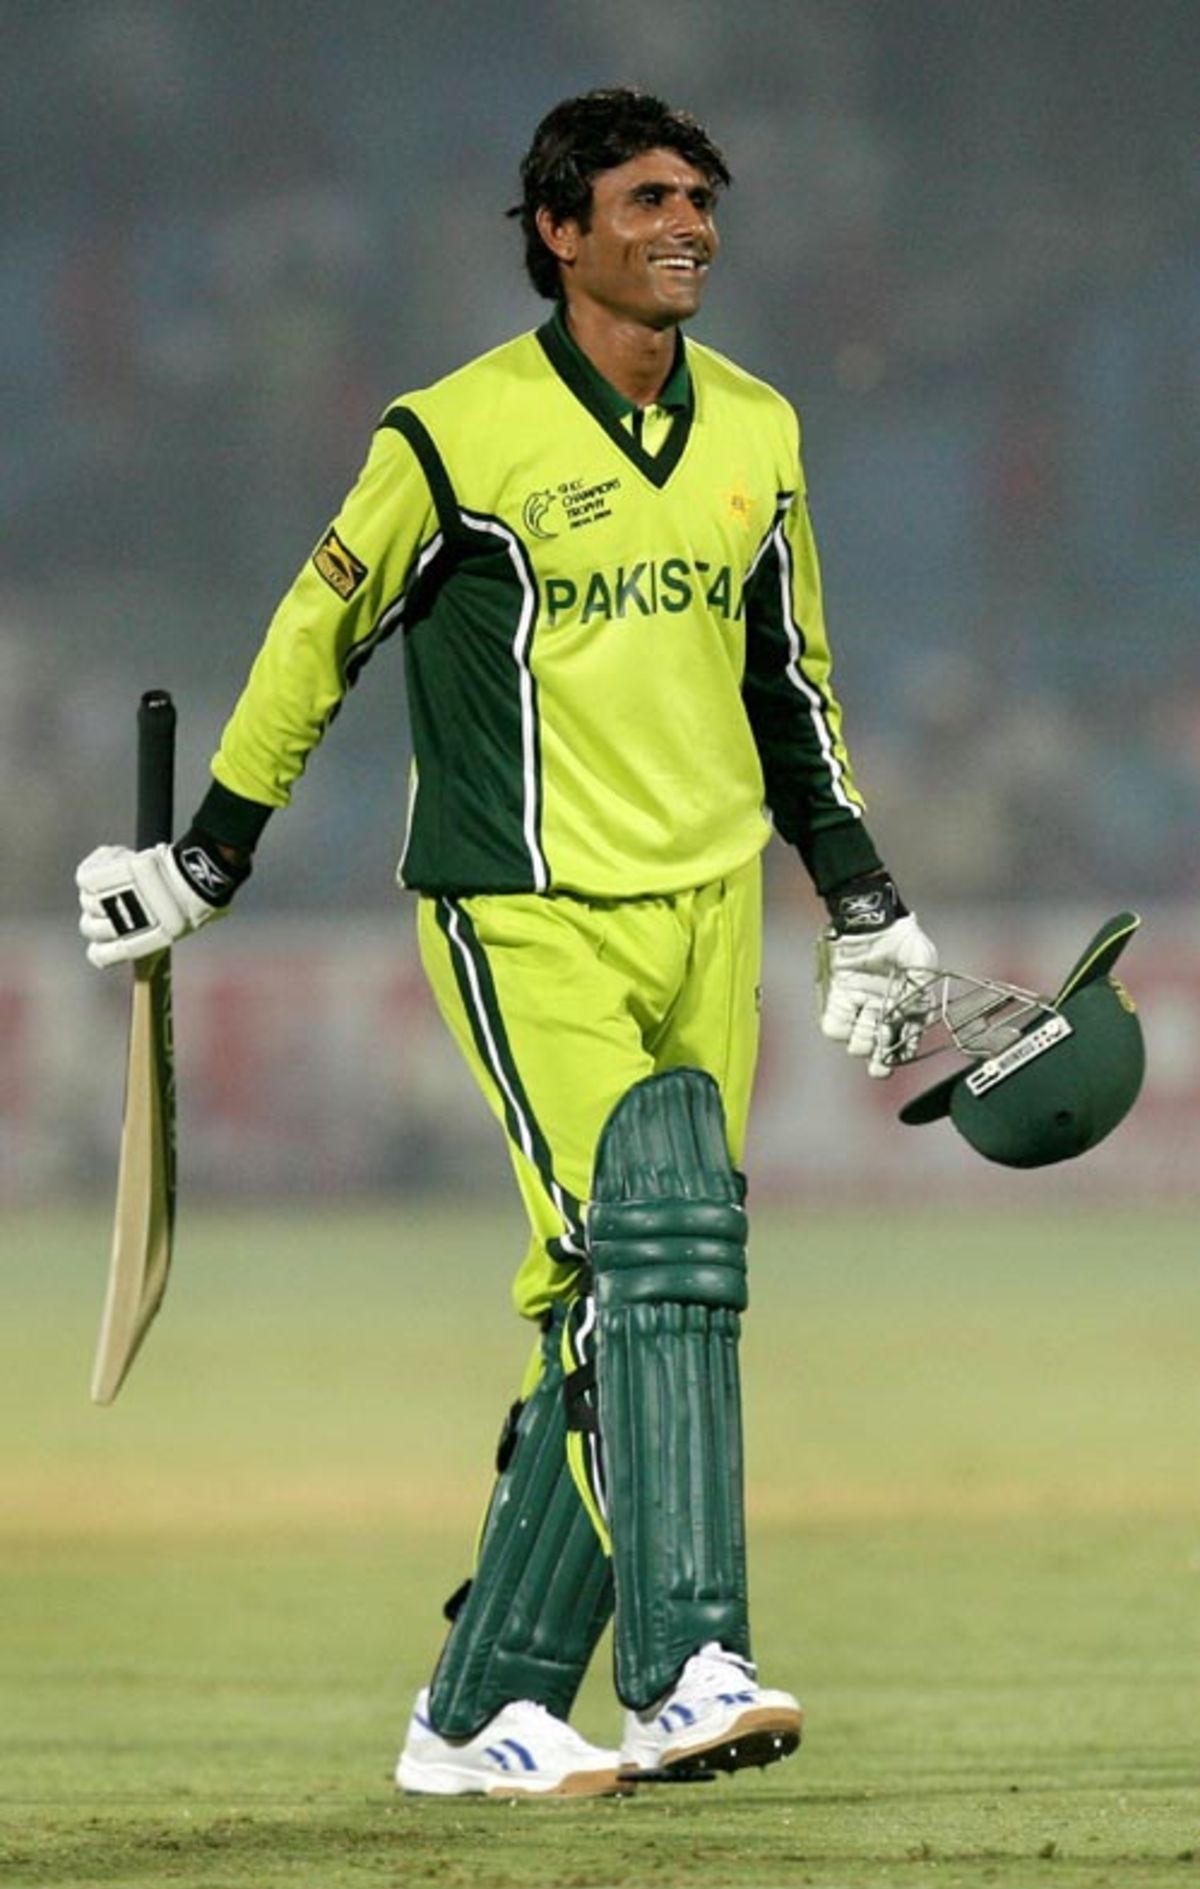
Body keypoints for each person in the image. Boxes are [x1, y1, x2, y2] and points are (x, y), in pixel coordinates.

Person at [77, 88, 938, 1799]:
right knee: (660, 1250)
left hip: (709, 912)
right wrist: (206, 861)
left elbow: (795, 688)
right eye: (646, 198)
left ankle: (478, 1714)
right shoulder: (452, 437)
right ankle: (693, 1661)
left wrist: (865, 901)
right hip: (523, 912)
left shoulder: (759, 431)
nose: (686, 222)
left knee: (637, 1303)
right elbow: (313, 635)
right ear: (560, 230)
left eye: (699, 195)